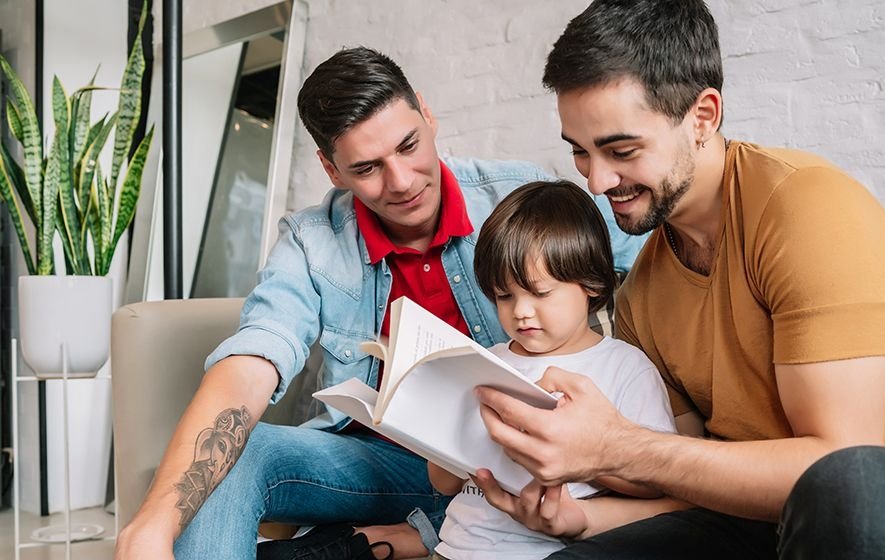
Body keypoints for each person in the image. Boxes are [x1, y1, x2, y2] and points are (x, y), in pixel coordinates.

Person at [471, 1, 885, 558]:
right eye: (580, 152)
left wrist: (618, 447)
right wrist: (575, 517)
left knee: (854, 494)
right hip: (751, 518)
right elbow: (683, 471)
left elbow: (838, 465)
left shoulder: (807, 208)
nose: (598, 180)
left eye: (621, 150)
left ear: (702, 116)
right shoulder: (643, 293)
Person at [114, 47, 645, 560]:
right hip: (376, 467)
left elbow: (654, 248)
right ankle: (399, 534)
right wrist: (151, 526)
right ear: (331, 169)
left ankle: (395, 538)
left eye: (409, 145)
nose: (403, 181)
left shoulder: (521, 200)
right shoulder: (312, 242)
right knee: (239, 454)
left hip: (502, 467)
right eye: (367, 168)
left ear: (426, 113)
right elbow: (251, 361)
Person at [428, 180, 676, 560]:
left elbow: (654, 482)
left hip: (548, 551)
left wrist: (572, 453)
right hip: (456, 549)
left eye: (540, 293)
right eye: (504, 295)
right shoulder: (485, 362)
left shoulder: (625, 367)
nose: (521, 311)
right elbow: (443, 483)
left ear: (591, 284)